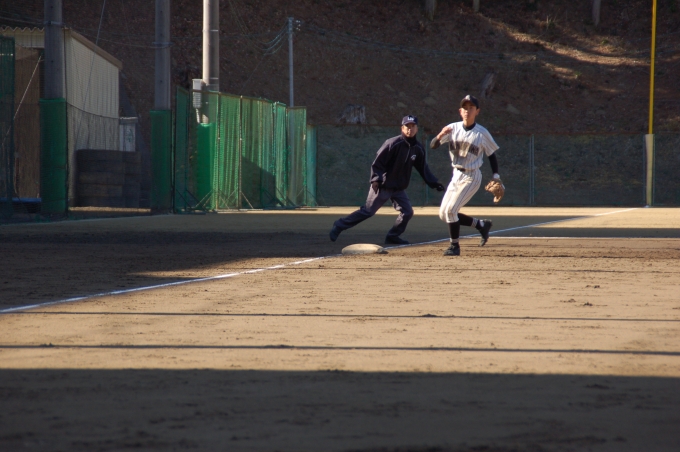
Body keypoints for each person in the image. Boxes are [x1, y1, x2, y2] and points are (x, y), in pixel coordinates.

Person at [329, 115, 445, 245]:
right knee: (368, 211)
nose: (410, 129)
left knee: (407, 212)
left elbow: (423, 168)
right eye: (407, 126)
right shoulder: (393, 143)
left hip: (398, 188)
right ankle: (339, 225)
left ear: (417, 128)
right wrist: (376, 179)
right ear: (402, 128)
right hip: (383, 185)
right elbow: (378, 162)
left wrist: (434, 182)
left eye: (413, 126)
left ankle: (393, 236)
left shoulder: (418, 148)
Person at [430, 94, 501, 256]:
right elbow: (433, 145)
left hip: (472, 176)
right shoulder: (452, 128)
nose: (467, 111)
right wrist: (440, 135)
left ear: (477, 111)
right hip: (456, 175)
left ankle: (454, 246)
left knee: (451, 210)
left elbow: (491, 155)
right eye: (465, 108)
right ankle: (481, 225)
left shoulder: (482, 133)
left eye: (471, 108)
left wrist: (496, 176)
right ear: (460, 111)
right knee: (444, 214)